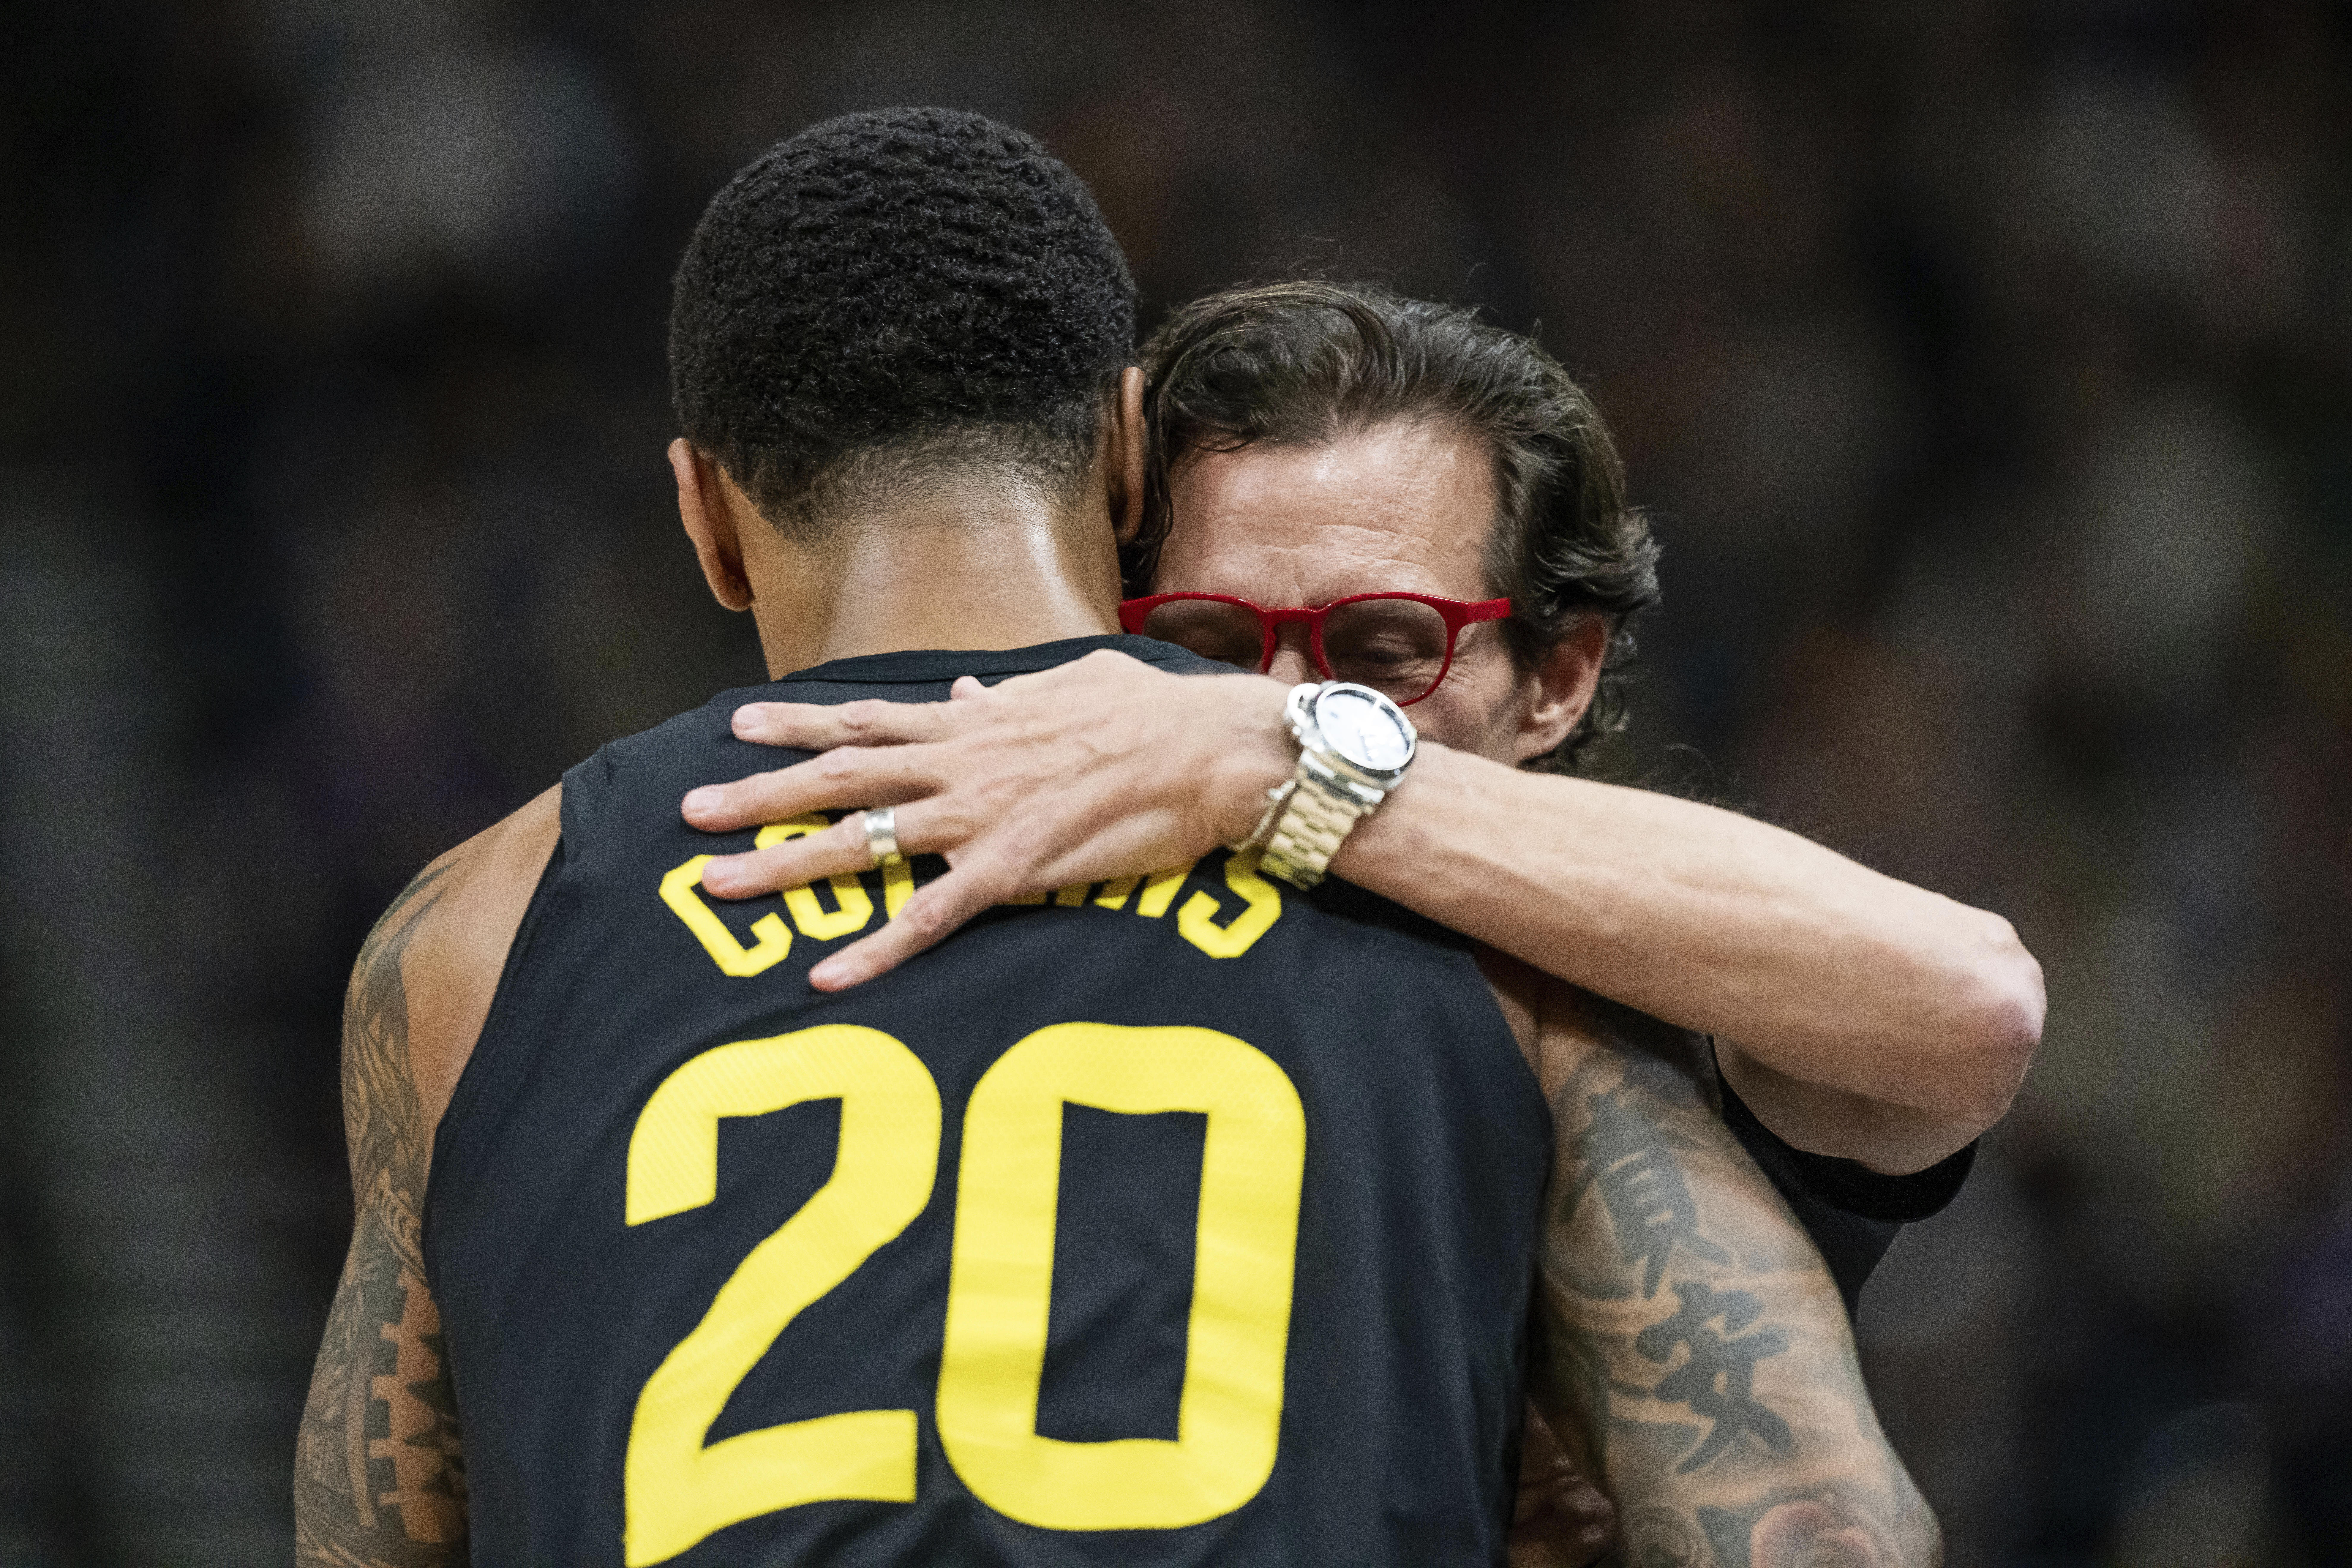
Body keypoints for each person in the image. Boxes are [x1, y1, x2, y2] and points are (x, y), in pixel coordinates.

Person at [295, 110, 1935, 1567]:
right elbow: (1816, 1523)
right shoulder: (1468, 888)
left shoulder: (474, 936)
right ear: (1129, 444)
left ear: (708, 520)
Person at [675, 281, 2040, 1558]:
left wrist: (1276, 757)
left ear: (1556, 678)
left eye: (1378, 651)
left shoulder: (1636, 971)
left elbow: (1971, 1003)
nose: (1265, 692)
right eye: (1206, 643)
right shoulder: (1022, 927)